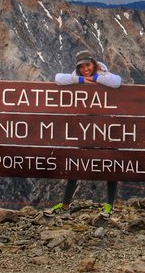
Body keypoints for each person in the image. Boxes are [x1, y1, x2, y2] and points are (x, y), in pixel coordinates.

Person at [47, 49, 122, 219]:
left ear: (93, 63)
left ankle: (109, 205)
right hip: (86, 128)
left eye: (87, 65)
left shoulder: (104, 73)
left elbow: (117, 82)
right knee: (77, 163)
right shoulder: (77, 76)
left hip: (106, 127)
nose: (85, 69)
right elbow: (58, 78)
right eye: (81, 67)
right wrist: (80, 79)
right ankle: (66, 204)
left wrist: (95, 79)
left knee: (110, 166)